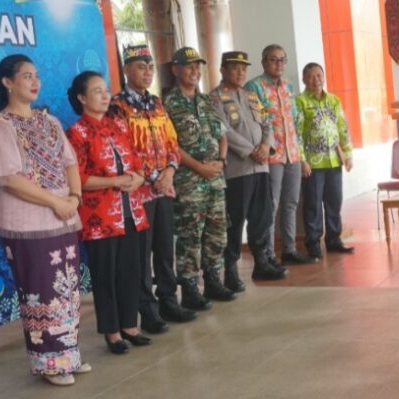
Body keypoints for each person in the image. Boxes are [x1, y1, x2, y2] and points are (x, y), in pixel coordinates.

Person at [0, 54, 90, 385]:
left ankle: (68, 355)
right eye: (26, 76)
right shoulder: (1, 127)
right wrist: (56, 202)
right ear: (7, 82)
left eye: (37, 75)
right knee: (39, 292)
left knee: (66, 291)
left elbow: (70, 162)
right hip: (28, 225)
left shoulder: (50, 122)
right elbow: (10, 179)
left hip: (62, 218)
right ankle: (49, 364)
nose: (35, 81)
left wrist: (73, 198)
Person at [109, 44, 196, 334]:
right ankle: (147, 310)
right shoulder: (118, 106)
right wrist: (154, 175)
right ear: (126, 69)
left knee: (164, 248)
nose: (146, 72)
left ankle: (169, 300)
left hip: (164, 188)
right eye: (139, 66)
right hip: (138, 193)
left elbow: (172, 143)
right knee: (141, 254)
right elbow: (122, 151)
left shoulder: (157, 103)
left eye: (149, 67)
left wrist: (169, 171)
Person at [66, 71, 151, 355]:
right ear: (81, 98)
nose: (105, 96)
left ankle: (130, 325)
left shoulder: (119, 126)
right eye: (97, 91)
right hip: (99, 218)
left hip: (131, 211)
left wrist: (138, 177)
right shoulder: (76, 132)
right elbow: (78, 177)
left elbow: (138, 162)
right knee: (106, 274)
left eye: (106, 90)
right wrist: (115, 181)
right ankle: (112, 332)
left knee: (131, 270)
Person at [164, 47, 237, 305]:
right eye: (188, 66)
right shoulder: (168, 104)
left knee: (218, 233)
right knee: (190, 236)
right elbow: (170, 145)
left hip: (215, 179)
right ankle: (190, 288)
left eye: (198, 66)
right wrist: (198, 166)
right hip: (189, 181)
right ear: (175, 69)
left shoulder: (206, 101)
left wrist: (221, 160)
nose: (195, 71)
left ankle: (213, 280)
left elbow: (222, 134)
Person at [210, 51, 289, 282]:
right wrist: (250, 150)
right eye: (235, 68)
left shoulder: (251, 96)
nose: (240, 72)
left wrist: (266, 146)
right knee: (235, 221)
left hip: (261, 167)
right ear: (223, 70)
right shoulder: (215, 98)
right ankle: (231, 270)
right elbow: (223, 129)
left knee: (262, 216)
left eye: (244, 68)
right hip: (238, 170)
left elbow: (268, 124)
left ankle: (262, 262)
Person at [245, 45, 320, 264]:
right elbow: (254, 123)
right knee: (271, 205)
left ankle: (289, 249)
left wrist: (301, 156)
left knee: (291, 203)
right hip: (271, 156)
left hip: (292, 154)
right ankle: (267, 254)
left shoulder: (288, 86)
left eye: (282, 60)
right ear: (264, 62)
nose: (279, 64)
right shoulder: (254, 87)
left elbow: (296, 123)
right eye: (273, 60)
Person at [296, 63, 355, 258]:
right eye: (311, 76)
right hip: (313, 163)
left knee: (334, 201)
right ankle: (313, 242)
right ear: (304, 79)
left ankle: (334, 239)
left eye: (319, 75)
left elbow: (342, 128)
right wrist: (302, 160)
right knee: (312, 204)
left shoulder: (334, 100)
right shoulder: (300, 101)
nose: (316, 80)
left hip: (334, 160)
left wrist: (348, 154)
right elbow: (296, 134)